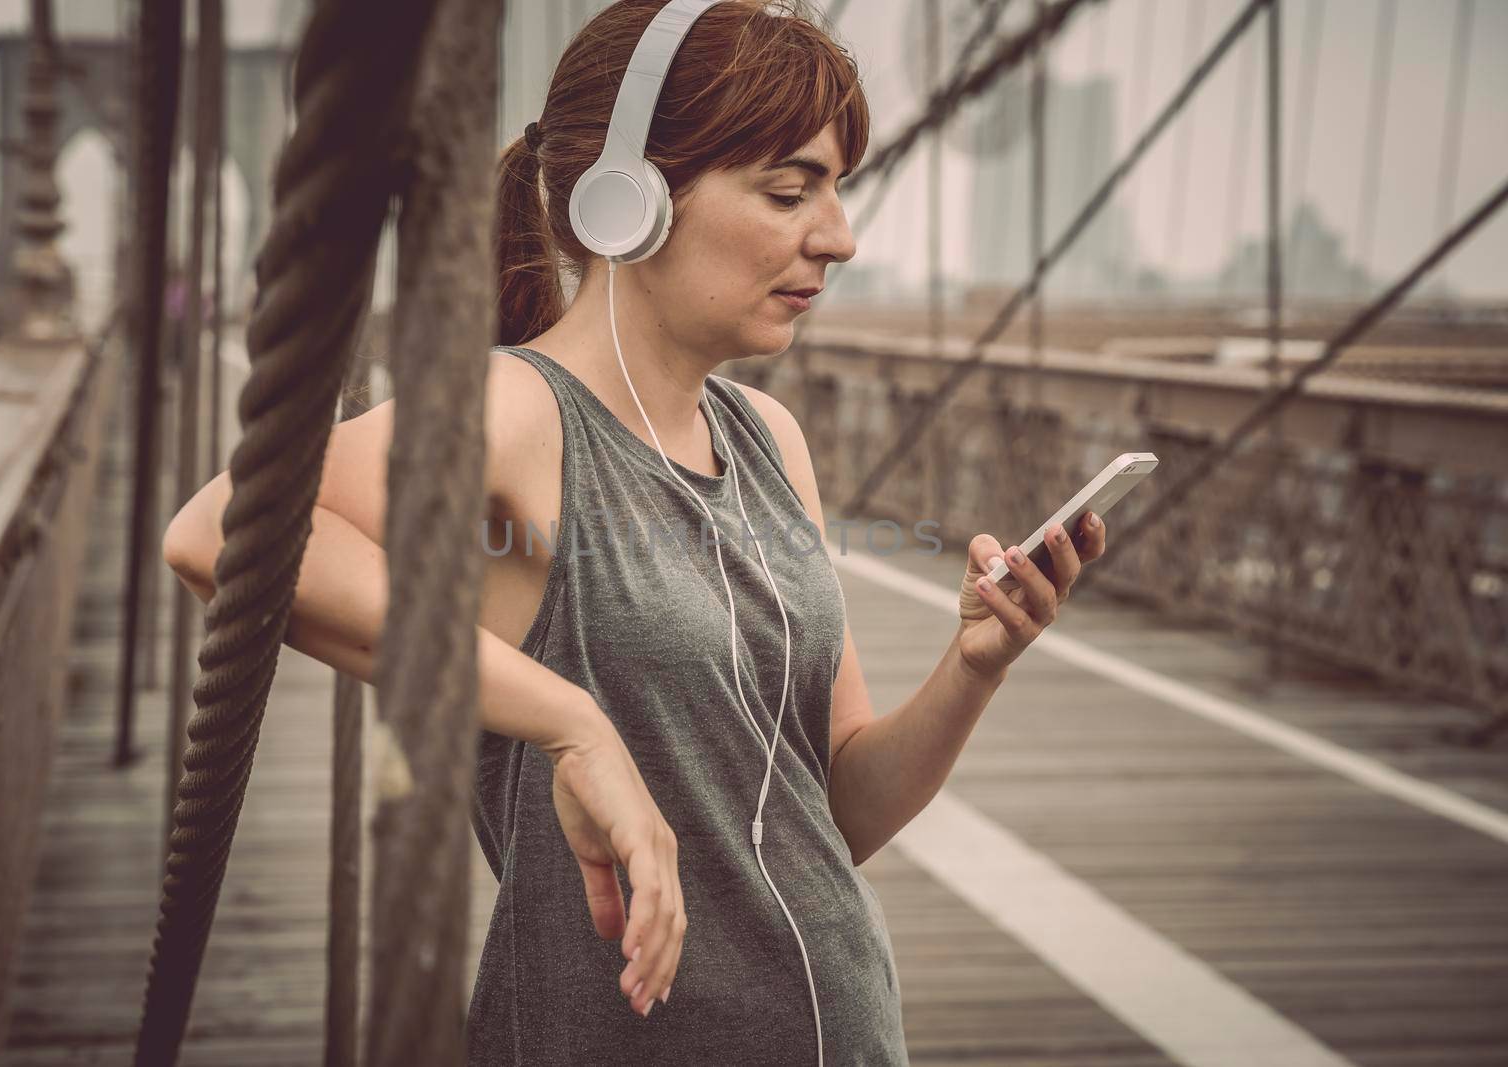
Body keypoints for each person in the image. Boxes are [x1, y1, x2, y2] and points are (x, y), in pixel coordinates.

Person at [162, 1, 1107, 1062]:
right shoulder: (519, 412)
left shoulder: (767, 437)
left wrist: (974, 664)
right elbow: (219, 532)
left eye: (836, 191)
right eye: (790, 190)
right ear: (630, 205)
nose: (837, 236)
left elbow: (830, 812)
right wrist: (571, 720)